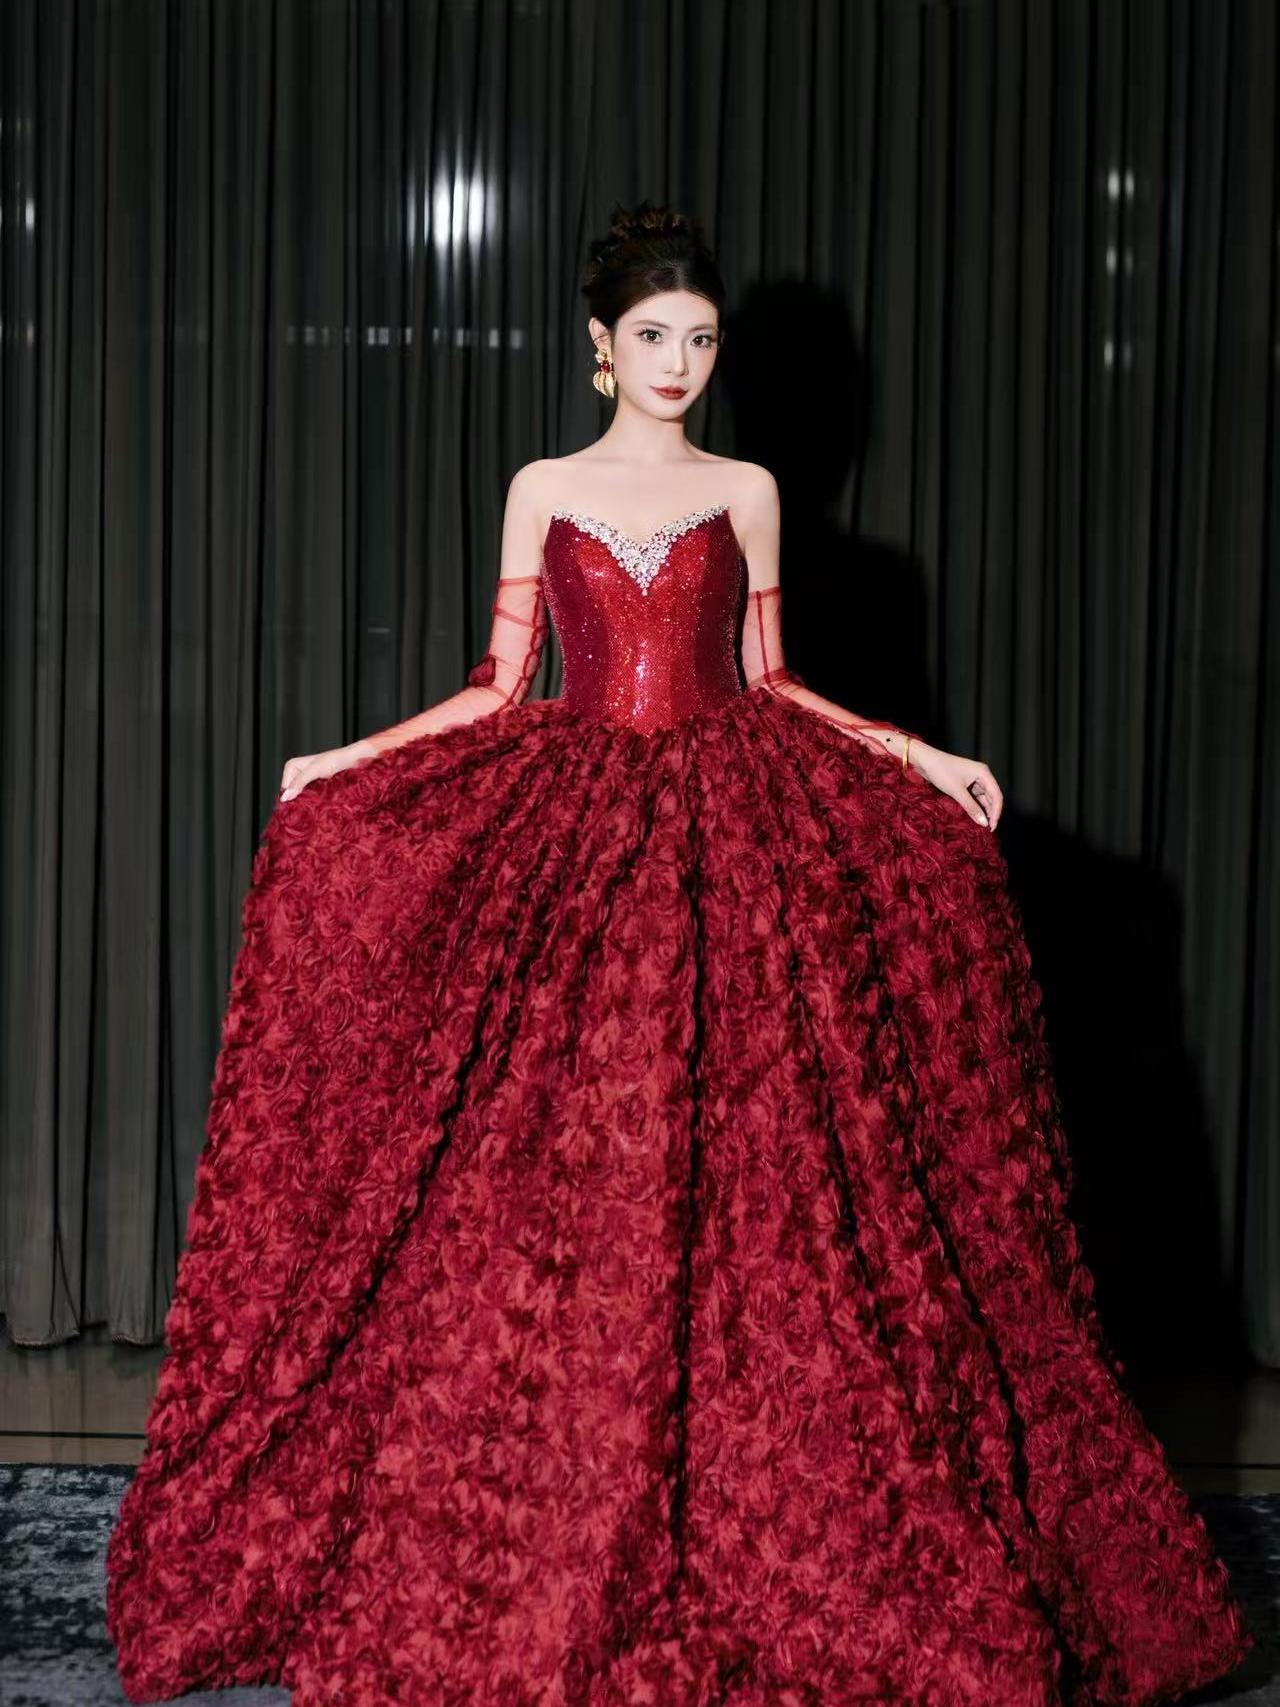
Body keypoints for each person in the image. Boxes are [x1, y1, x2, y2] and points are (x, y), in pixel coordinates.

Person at [106, 202, 1252, 1706]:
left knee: (772, 1173)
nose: (678, 361)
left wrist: (920, 756)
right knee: (554, 1169)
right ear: (600, 346)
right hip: (582, 838)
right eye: (653, 335)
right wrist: (347, 757)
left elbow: (773, 682)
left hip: (734, 830)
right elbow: (501, 684)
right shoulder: (543, 488)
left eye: (700, 338)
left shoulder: (748, 490)